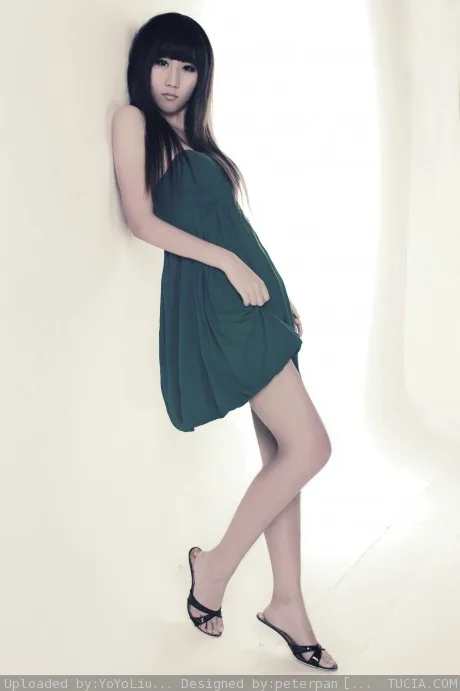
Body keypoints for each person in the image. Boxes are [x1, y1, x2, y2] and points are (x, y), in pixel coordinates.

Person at [112, 12, 338, 671]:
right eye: (163, 63)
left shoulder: (196, 136)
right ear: (144, 66)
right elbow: (140, 220)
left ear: (200, 76)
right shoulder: (133, 122)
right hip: (219, 304)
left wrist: (276, 290)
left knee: (282, 452)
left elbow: (234, 226)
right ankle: (212, 569)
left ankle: (288, 601)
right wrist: (230, 265)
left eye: (187, 67)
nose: (173, 79)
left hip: (255, 300)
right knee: (310, 447)